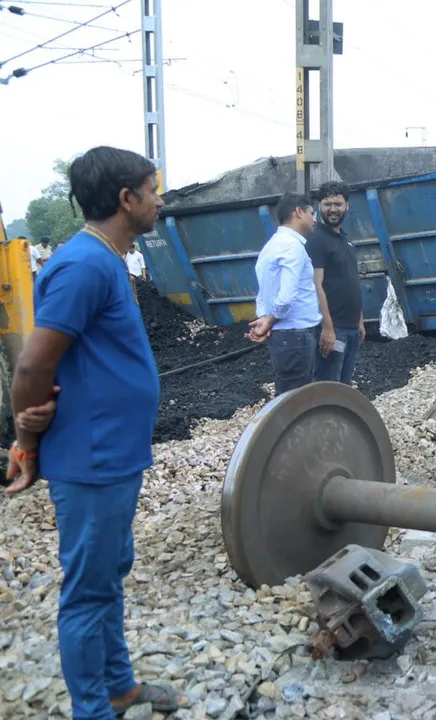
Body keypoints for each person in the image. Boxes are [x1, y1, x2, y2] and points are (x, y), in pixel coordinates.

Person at [6, 145, 190, 717]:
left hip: (113, 454)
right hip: (90, 458)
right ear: (125, 198)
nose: (159, 200)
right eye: (153, 189)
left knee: (109, 573)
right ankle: (94, 709)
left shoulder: (107, 258)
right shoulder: (85, 264)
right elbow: (34, 365)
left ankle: (118, 685)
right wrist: (27, 437)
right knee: (88, 589)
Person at [247, 192, 321, 395]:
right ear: (298, 212)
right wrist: (269, 322)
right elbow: (287, 296)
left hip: (286, 337)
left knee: (288, 397)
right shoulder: (292, 247)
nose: (315, 219)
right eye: (311, 213)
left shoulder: (270, 246)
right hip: (296, 336)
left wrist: (264, 318)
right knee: (296, 402)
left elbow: (263, 291)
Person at [308, 181, 365, 384]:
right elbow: (317, 285)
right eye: (327, 204)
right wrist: (328, 328)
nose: (333, 209)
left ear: (347, 206)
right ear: (320, 207)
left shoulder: (347, 241)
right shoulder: (316, 239)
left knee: (344, 387)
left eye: (338, 204)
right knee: (327, 388)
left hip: (350, 329)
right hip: (334, 329)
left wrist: (359, 321)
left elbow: (351, 281)